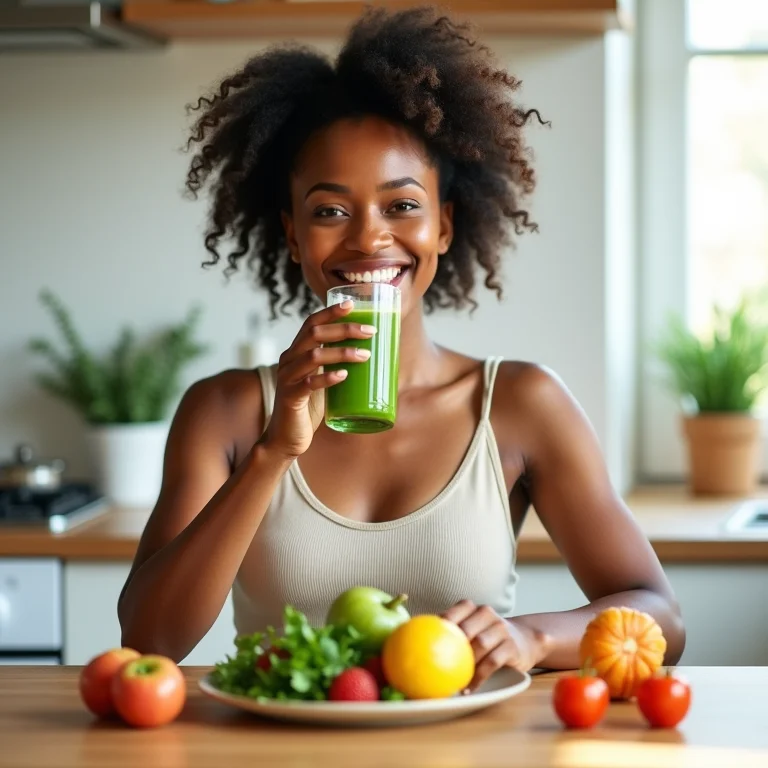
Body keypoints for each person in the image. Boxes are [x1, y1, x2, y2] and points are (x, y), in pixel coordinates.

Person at [118, 5, 684, 689]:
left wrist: (530, 637)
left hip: (464, 740)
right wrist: (273, 453)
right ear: (293, 235)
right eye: (330, 211)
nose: (368, 238)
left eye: (402, 205)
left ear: (443, 226)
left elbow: (661, 619)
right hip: (275, 742)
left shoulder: (519, 403)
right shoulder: (226, 413)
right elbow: (149, 639)